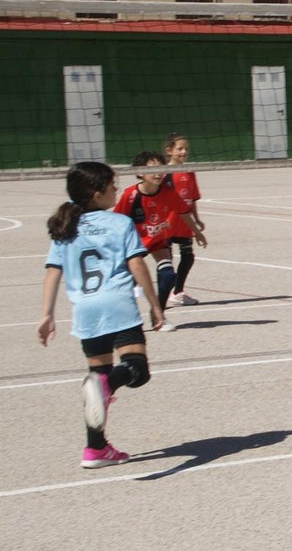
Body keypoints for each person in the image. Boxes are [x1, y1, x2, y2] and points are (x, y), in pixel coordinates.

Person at [36, 162, 166, 469]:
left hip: (86, 311)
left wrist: (46, 314)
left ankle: (95, 449)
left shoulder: (64, 228)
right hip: (118, 305)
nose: (117, 190)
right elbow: (136, 265)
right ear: (96, 195)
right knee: (136, 369)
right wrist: (155, 304)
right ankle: (109, 384)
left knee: (96, 379)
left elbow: (53, 272)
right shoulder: (119, 224)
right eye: (112, 186)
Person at [114, 151, 207, 324]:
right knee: (127, 284)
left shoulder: (168, 192)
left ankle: (158, 315)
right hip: (135, 243)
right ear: (140, 172)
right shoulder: (130, 195)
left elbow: (183, 212)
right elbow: (116, 221)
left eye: (160, 168)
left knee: (168, 275)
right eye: (152, 169)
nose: (158, 173)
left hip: (157, 241)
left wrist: (197, 232)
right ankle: (124, 318)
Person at [163, 133, 206, 305]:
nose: (183, 152)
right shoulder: (164, 173)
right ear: (169, 150)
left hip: (185, 222)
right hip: (168, 221)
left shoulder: (189, 172)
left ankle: (178, 291)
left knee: (188, 257)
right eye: (179, 148)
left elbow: (192, 198)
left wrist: (197, 219)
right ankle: (165, 292)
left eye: (186, 149)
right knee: (167, 259)